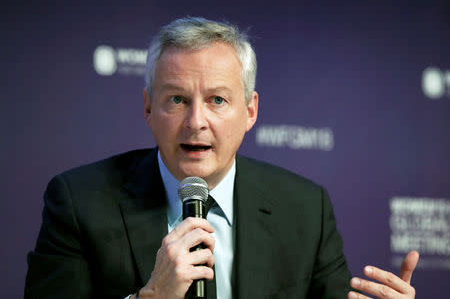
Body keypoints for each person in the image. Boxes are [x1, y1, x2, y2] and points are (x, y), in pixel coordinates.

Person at [25, 17, 419, 299]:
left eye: (217, 100)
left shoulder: (305, 208)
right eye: (177, 99)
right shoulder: (79, 202)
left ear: (250, 111)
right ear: (148, 108)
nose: (196, 122)